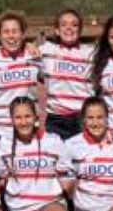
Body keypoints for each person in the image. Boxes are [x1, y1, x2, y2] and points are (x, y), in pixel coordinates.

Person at [0, 11, 43, 140]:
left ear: (22, 34)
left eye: (15, 31)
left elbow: (51, 83)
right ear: (0, 35)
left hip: (27, 130)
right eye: (6, 32)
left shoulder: (34, 57)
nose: (11, 36)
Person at [39, 9, 95, 140]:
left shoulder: (91, 54)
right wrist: (29, 46)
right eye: (64, 24)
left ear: (80, 30)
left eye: (74, 25)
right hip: (56, 120)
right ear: (57, 30)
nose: (69, 28)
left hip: (83, 118)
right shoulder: (46, 51)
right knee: (56, 159)